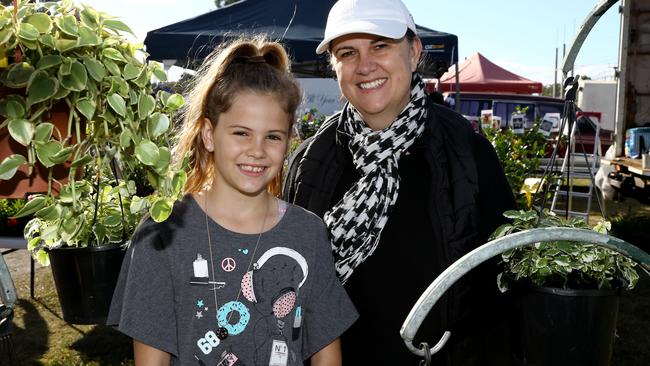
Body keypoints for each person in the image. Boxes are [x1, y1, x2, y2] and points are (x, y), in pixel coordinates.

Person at [283, 0, 516, 365]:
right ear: (335, 68)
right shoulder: (311, 162)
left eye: (380, 45)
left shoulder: (467, 154)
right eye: (348, 52)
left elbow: (504, 290)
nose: (365, 65)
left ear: (414, 51)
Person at [108, 37, 358, 366]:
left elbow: (327, 354)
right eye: (241, 133)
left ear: (288, 142)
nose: (257, 150)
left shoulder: (307, 232)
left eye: (272, 136)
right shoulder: (162, 235)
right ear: (209, 135)